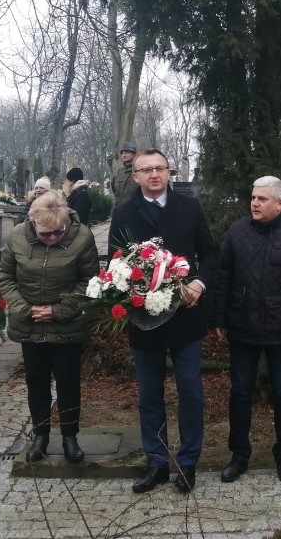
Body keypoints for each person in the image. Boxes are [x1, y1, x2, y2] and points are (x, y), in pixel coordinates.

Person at [108, 148, 218, 494]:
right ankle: (156, 462)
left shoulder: (190, 207)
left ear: (169, 172)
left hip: (185, 316)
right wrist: (130, 292)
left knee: (190, 391)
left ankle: (187, 463)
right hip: (145, 318)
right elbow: (115, 264)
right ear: (135, 176)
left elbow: (211, 254)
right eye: (146, 170)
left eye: (160, 168)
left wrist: (199, 284)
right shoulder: (124, 212)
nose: (154, 174)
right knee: (150, 395)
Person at [215, 176, 281, 484]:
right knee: (240, 393)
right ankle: (239, 455)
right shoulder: (237, 231)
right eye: (253, 197)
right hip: (243, 325)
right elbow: (224, 277)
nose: (254, 203)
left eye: (262, 199)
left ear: (280, 204)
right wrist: (219, 320)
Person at [0, 191, 100, 463]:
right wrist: (25, 309)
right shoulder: (17, 236)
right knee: (36, 381)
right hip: (29, 323)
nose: (53, 238)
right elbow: (5, 277)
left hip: (67, 324)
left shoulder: (82, 237)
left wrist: (58, 311)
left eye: (58, 233)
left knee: (68, 380)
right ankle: (40, 434)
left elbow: (90, 282)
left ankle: (70, 437)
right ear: (32, 222)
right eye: (45, 235)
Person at [110, 142, 138, 207]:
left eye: (127, 152)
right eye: (122, 153)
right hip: (120, 208)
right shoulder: (117, 173)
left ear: (134, 154)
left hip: (136, 208)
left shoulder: (140, 171)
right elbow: (114, 191)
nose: (124, 155)